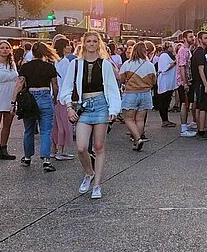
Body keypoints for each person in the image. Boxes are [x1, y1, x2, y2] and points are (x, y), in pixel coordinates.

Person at [58, 31, 122, 200]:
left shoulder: (105, 64)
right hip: (84, 106)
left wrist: (114, 110)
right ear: (84, 43)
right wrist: (69, 107)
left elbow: (112, 88)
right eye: (89, 41)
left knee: (99, 147)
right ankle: (89, 173)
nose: (92, 44)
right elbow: (66, 88)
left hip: (101, 105)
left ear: (98, 44)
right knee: (81, 148)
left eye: (94, 41)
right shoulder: (75, 64)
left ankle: (97, 185)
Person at [13, 42, 59, 172]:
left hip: (30, 98)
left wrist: (13, 101)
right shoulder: (50, 67)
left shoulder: (25, 66)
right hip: (45, 96)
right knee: (46, 131)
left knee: (29, 130)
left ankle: (27, 157)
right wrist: (55, 98)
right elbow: (55, 86)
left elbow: (19, 84)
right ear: (45, 52)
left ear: (32, 52)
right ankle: (46, 159)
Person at [118, 41, 156, 151]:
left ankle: (137, 138)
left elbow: (121, 79)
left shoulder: (127, 64)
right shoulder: (150, 65)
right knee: (140, 119)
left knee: (129, 119)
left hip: (131, 93)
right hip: (146, 94)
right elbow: (154, 81)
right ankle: (137, 140)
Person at [51, 37, 77, 160]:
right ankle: (60, 151)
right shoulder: (66, 62)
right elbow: (68, 80)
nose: (70, 47)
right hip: (63, 96)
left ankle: (54, 149)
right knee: (64, 124)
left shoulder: (54, 61)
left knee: (56, 124)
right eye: (67, 45)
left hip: (54, 95)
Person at [191, 31, 207, 140]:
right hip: (201, 83)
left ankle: (201, 129)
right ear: (199, 39)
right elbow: (201, 69)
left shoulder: (199, 51)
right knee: (203, 107)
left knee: (200, 107)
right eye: (205, 38)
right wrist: (206, 85)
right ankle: (201, 131)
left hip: (200, 83)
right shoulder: (199, 52)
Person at [176, 30, 196, 137]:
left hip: (188, 80)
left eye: (193, 36)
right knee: (184, 103)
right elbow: (182, 67)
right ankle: (183, 128)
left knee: (187, 104)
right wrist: (185, 83)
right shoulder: (183, 50)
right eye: (190, 37)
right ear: (184, 39)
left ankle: (186, 125)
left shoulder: (188, 50)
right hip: (184, 81)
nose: (193, 38)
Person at [154, 41, 178, 128]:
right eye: (171, 46)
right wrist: (175, 62)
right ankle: (164, 120)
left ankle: (166, 120)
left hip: (169, 82)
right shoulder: (164, 55)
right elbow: (164, 68)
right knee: (163, 101)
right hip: (165, 82)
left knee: (167, 101)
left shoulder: (170, 55)